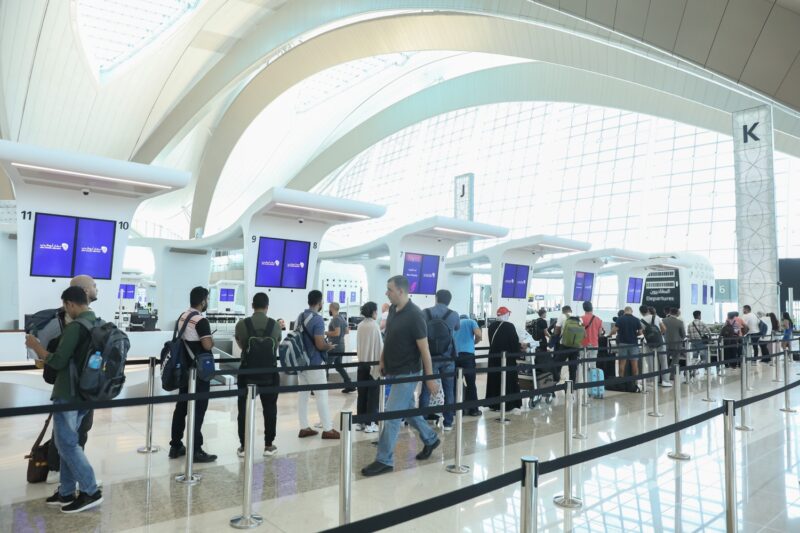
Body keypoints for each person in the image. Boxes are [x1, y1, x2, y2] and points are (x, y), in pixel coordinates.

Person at [25, 286, 102, 513]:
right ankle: (67, 492)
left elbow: (57, 361)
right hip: (87, 392)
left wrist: (36, 346)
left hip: (68, 392)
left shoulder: (75, 327)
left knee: (66, 444)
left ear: (70, 304)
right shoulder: (97, 324)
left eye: (65, 307)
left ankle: (90, 490)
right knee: (67, 442)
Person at [361, 275, 441, 477]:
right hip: (393, 370)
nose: (386, 293)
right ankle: (430, 438)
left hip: (408, 373)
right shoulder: (394, 311)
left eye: (389, 289)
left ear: (401, 291)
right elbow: (389, 339)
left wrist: (429, 377)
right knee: (407, 410)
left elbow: (425, 350)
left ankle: (384, 459)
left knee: (391, 415)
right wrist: (382, 360)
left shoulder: (415, 315)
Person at [169, 286, 217, 462]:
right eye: (207, 300)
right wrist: (211, 339)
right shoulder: (200, 321)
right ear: (203, 300)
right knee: (198, 409)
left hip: (183, 369)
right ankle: (196, 449)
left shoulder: (182, 317)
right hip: (199, 372)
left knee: (181, 407)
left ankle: (175, 445)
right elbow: (207, 345)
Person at [234, 292, 282, 457]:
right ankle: (269, 445)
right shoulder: (275, 325)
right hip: (270, 373)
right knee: (270, 409)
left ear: (252, 306)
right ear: (267, 307)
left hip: (247, 372)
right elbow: (276, 346)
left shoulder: (242, 324)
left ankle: (244, 446)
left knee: (244, 411)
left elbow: (241, 345)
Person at [297, 290, 340, 440]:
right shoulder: (318, 320)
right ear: (320, 302)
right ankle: (328, 429)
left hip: (301, 363)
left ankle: (304, 427)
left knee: (303, 396)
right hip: (315, 363)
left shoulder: (300, 317)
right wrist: (329, 347)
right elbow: (320, 344)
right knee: (321, 396)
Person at [419, 289, 460, 430]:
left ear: (436, 298)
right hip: (448, 357)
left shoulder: (425, 312)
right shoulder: (454, 315)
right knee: (449, 390)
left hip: (429, 358)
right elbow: (457, 328)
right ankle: (448, 422)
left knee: (426, 390)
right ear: (450, 300)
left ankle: (422, 422)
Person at [485, 307, 525, 413]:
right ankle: (508, 404)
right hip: (507, 359)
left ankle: (494, 404)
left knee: (494, 379)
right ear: (506, 315)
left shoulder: (492, 326)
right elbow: (514, 342)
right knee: (508, 380)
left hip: (493, 357)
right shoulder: (509, 326)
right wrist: (519, 350)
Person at [355, 302, 382, 433]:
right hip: (373, 365)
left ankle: (360, 422)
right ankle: (370, 423)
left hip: (362, 364)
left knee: (362, 394)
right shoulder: (374, 326)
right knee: (373, 394)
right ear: (372, 312)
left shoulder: (360, 326)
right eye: (376, 311)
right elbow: (379, 347)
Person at [454, 312, 482, 417]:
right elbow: (479, 335)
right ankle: (473, 410)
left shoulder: (454, 324)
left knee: (454, 383)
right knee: (471, 383)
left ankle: (455, 410)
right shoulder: (471, 321)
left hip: (455, 356)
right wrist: (475, 342)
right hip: (468, 356)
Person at [609, 306, 642, 391]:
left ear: (624, 311)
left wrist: (609, 334)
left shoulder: (620, 319)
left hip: (622, 343)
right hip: (634, 344)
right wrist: (635, 335)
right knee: (634, 364)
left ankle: (621, 382)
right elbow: (640, 332)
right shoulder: (636, 319)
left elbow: (614, 331)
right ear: (631, 311)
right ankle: (635, 383)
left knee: (621, 363)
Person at [640, 305, 670, 387]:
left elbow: (641, 332)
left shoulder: (642, 320)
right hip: (660, 342)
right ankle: (665, 381)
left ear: (641, 312)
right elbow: (664, 328)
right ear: (648, 311)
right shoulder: (656, 317)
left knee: (650, 362)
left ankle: (652, 381)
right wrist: (659, 334)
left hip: (648, 343)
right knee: (663, 362)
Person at [327, 302, 355, 393]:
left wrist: (326, 333)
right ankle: (349, 385)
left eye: (329, 308)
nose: (329, 310)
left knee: (326, 366)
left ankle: (320, 388)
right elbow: (346, 331)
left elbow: (337, 333)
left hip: (334, 346)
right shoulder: (342, 318)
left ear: (332, 308)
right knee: (339, 366)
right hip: (341, 345)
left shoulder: (335, 319)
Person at [662, 308, 686, 382]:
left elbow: (661, 331)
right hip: (677, 344)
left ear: (670, 312)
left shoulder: (664, 320)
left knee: (665, 360)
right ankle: (672, 376)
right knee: (675, 361)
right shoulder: (679, 322)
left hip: (666, 344)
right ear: (677, 313)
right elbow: (683, 334)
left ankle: (663, 376)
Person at [552, 306, 572, 383]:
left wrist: (555, 337)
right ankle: (572, 386)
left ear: (563, 311)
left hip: (564, 344)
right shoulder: (576, 317)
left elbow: (557, 329)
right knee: (572, 366)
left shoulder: (562, 316)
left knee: (557, 363)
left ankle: (555, 380)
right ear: (570, 310)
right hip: (575, 345)